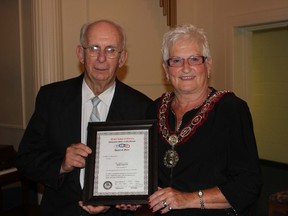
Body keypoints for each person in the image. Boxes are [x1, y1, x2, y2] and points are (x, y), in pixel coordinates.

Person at [15, 19, 152, 216]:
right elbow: (26, 159)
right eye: (94, 48)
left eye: (111, 50)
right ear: (81, 53)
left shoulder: (142, 107)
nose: (102, 58)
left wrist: (126, 200)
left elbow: (146, 176)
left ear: (122, 58)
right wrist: (61, 164)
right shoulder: (51, 98)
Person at [147, 24, 262, 216]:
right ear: (166, 69)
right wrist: (130, 195)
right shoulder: (154, 108)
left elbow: (249, 184)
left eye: (194, 59)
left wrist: (187, 199)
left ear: (208, 65)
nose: (185, 68)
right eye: (176, 60)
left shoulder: (230, 109)